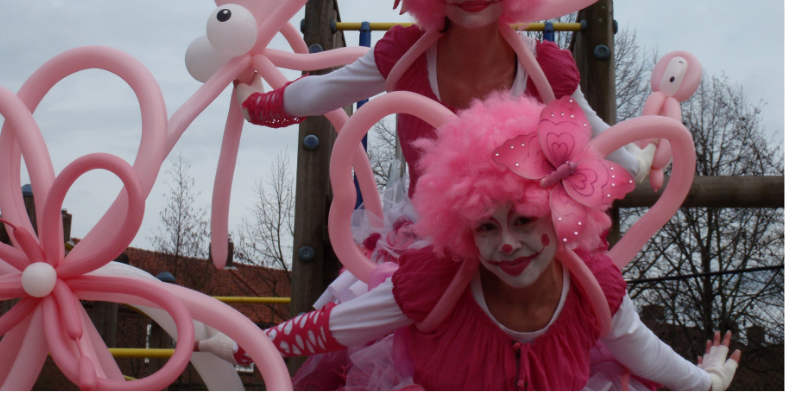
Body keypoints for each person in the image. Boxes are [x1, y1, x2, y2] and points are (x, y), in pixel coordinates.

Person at [200, 95, 740, 391]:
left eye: (525, 220)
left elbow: (648, 355)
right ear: (462, 228)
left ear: (561, 213)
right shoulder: (436, 283)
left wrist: (710, 381)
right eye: (486, 226)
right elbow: (334, 329)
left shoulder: (593, 290)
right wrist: (240, 344)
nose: (507, 243)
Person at [236, 0, 656, 198]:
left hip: (515, 250)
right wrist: (252, 104)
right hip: (425, 249)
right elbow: (322, 91)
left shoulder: (544, 69)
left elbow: (598, 137)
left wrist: (647, 159)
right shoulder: (407, 57)